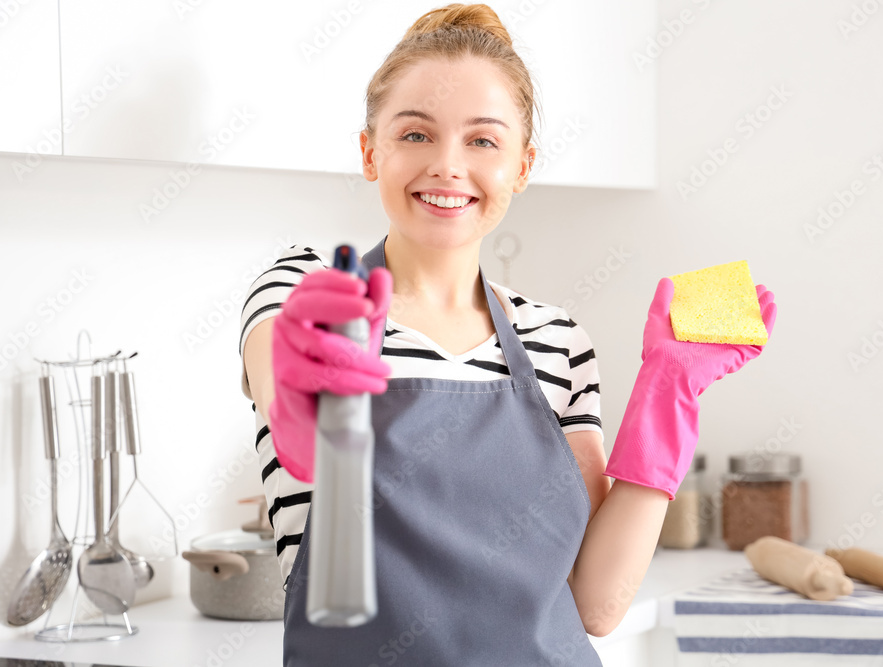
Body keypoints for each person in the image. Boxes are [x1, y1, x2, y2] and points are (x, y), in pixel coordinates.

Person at [239, 4, 777, 665]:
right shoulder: (307, 292)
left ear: (522, 167)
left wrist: (669, 394)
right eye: (415, 134)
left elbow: (596, 603)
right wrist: (301, 390)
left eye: (483, 141)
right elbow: (277, 369)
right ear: (369, 150)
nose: (446, 165)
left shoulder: (558, 340)